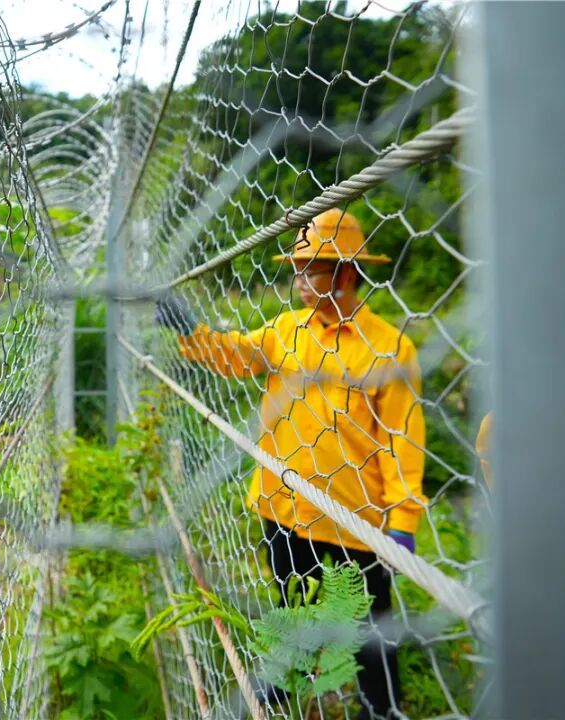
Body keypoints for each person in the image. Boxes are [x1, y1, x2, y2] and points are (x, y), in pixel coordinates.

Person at [155, 208, 426, 718]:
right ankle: (289, 671)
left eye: (312, 271)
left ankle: (380, 706)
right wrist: (191, 331)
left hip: (353, 520)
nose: (300, 283)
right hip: (283, 506)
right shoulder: (286, 329)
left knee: (368, 623)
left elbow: (402, 441)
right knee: (291, 598)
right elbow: (237, 356)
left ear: (347, 273)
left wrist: (403, 519)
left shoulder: (390, 348)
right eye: (296, 271)